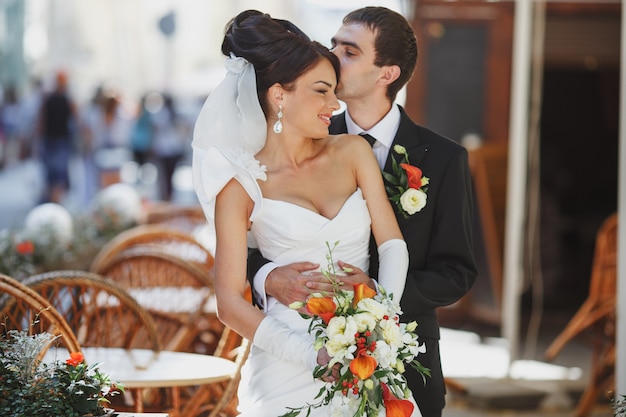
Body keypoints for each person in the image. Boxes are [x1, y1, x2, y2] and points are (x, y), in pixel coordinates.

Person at [248, 7, 477, 417]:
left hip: (406, 361)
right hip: (300, 353)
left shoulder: (444, 159)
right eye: (334, 44)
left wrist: (374, 295)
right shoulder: (299, 140)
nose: (333, 56)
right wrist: (269, 276)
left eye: (349, 51)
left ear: (387, 73)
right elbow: (248, 245)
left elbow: (456, 271)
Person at [192, 9, 417, 417]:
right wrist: (312, 355)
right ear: (280, 94)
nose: (335, 103)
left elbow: (392, 244)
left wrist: (381, 321)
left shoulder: (353, 152)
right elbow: (228, 303)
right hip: (284, 364)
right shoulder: (240, 182)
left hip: (366, 354)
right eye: (321, 91)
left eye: (334, 90)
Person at [37, 70, 77, 203]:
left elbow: (41, 121)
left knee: (55, 173)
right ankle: (54, 202)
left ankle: (54, 202)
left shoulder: (59, 99)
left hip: (56, 140)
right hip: (56, 140)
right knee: (55, 173)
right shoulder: (59, 99)